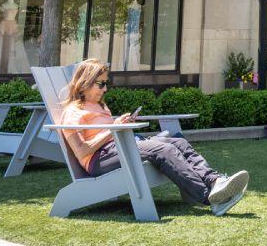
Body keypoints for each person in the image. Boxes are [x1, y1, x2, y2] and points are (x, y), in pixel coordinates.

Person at [61, 59, 248, 215]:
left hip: (120, 147)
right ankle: (209, 197)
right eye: (100, 84)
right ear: (85, 83)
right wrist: (114, 129)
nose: (105, 89)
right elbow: (81, 150)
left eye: (106, 83)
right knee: (164, 150)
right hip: (99, 160)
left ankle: (215, 182)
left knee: (178, 142)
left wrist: (120, 124)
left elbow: (106, 131)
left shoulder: (100, 106)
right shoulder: (72, 112)